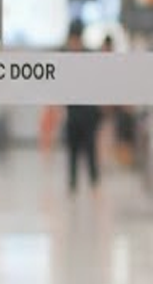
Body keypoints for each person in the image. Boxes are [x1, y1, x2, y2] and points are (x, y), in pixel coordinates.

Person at [64, 20, 102, 194]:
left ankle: (94, 185)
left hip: (88, 114)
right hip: (72, 114)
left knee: (90, 150)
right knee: (71, 152)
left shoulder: (90, 57)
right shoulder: (64, 58)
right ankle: (72, 185)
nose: (73, 44)